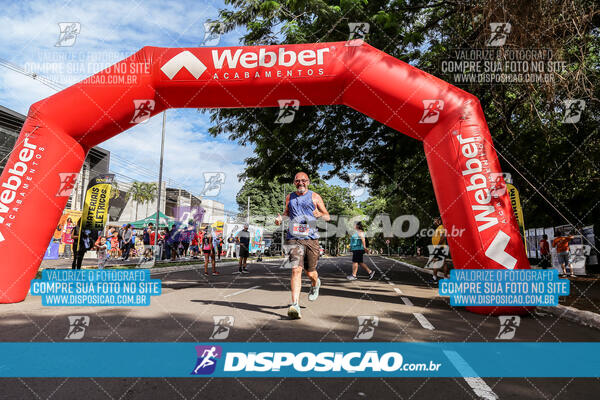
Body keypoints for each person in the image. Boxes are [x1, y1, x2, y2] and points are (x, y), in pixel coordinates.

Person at [275, 172, 330, 319]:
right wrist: (281, 218)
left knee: (310, 272)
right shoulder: (289, 197)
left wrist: (320, 214)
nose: (301, 183)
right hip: (293, 237)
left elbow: (327, 216)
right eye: (298, 181)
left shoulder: (315, 196)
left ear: (308, 182)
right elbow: (287, 213)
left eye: (303, 180)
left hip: (311, 238)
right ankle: (295, 305)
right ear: (294, 183)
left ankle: (315, 283)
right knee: (295, 270)